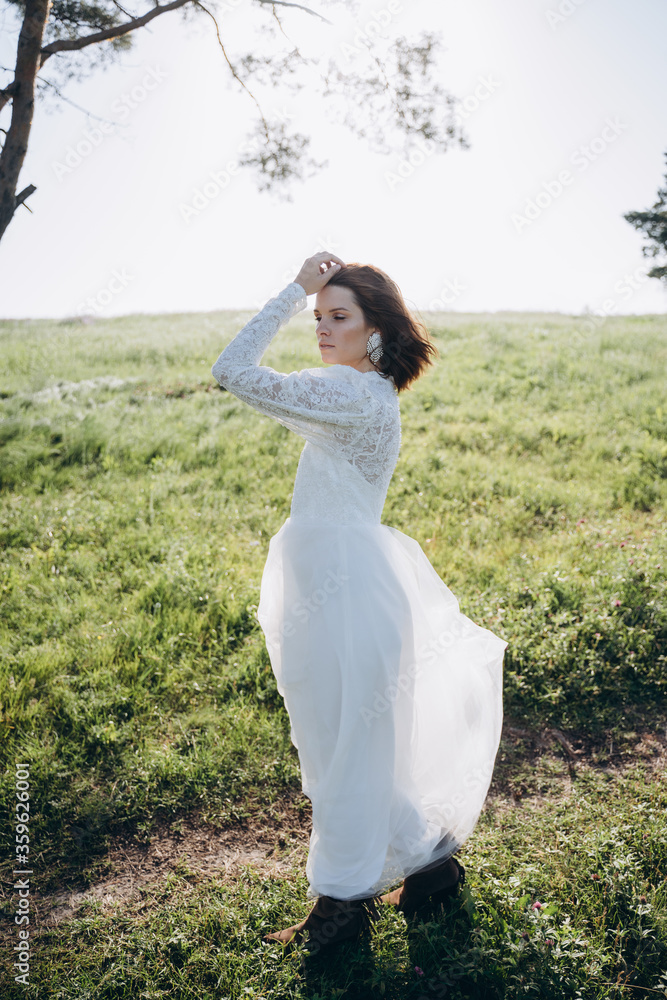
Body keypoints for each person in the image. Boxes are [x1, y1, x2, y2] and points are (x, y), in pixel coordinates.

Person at [211, 252, 507, 954]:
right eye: (317, 316)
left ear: (377, 330)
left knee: (341, 748)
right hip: (344, 581)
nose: (321, 326)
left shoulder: (349, 397)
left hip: (342, 590)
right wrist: (310, 298)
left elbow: (230, 372)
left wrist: (292, 288)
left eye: (337, 316)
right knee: (356, 742)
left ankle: (340, 912)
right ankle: (431, 866)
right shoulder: (359, 394)